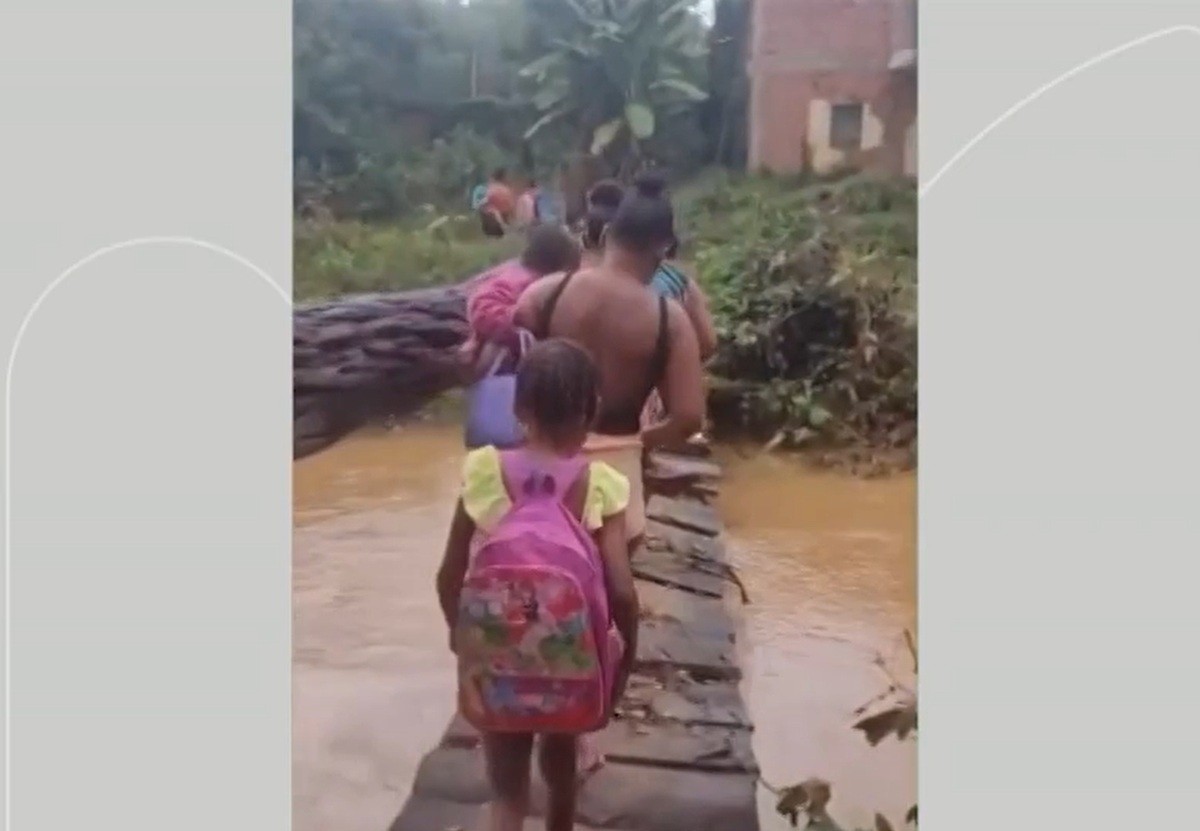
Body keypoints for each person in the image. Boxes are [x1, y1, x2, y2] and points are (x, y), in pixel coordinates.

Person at [436, 339, 639, 831]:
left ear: (519, 407)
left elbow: (448, 574)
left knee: (506, 793)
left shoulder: (484, 469)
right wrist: (620, 668)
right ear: (592, 409)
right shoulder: (601, 482)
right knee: (562, 773)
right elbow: (623, 593)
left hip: (497, 654)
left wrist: (460, 639)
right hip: (569, 658)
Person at [514, 172, 706, 549]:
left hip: (544, 470)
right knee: (612, 591)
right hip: (618, 480)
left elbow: (517, 335)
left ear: (605, 237)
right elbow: (688, 417)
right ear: (664, 250)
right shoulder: (670, 320)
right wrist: (634, 442)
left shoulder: (545, 294)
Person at [460, 223, 581, 370]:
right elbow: (482, 309)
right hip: (504, 360)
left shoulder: (540, 280)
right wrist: (520, 319)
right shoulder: (518, 279)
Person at [479, 168, 516, 238]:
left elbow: (486, 201)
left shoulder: (492, 189)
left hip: (494, 220)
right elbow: (511, 207)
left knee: (484, 209)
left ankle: (490, 233)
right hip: (506, 217)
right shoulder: (507, 190)